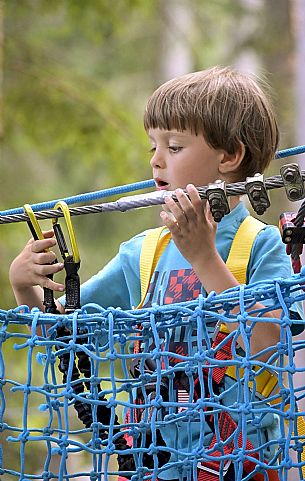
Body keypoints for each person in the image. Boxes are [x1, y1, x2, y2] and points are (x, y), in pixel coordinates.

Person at [9, 66, 303, 480]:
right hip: (152, 463)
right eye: (153, 146)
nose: (156, 159)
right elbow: (63, 334)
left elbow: (268, 351)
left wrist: (204, 258)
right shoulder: (143, 253)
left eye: (175, 146)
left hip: (238, 461)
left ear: (229, 156)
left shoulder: (259, 245)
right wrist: (24, 287)